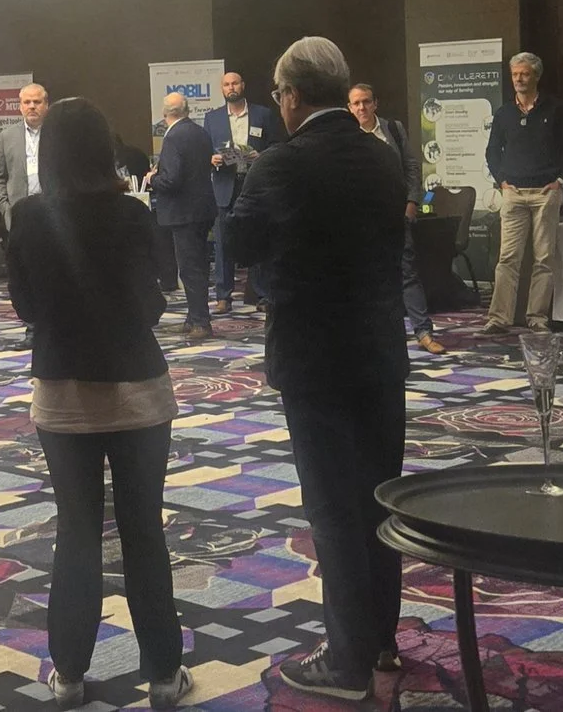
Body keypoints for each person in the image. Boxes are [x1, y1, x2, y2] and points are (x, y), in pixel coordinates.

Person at [226, 37, 408, 700]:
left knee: (332, 510)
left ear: (293, 96)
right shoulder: (384, 158)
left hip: (313, 357)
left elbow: (238, 242)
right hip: (382, 351)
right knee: (382, 501)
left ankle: (347, 660)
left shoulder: (281, 164)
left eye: (278, 96)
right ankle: (382, 641)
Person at [5, 96, 191, 711]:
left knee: (77, 533)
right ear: (105, 148)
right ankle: (164, 674)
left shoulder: (28, 218)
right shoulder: (133, 215)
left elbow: (25, 307)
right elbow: (156, 302)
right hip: (138, 392)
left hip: (62, 396)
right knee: (144, 532)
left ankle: (70, 674)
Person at [483, 52, 563, 331]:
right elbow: (492, 152)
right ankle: (498, 318)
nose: (519, 79)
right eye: (515, 75)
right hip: (512, 192)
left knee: (543, 259)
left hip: (545, 193)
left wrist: (560, 181)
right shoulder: (504, 113)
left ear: (536, 76)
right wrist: (501, 181)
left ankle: (537, 318)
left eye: (524, 74)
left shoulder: (555, 109)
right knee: (507, 258)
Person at [351, 84, 441, 353]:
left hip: (396, 214)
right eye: (355, 104)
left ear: (375, 103)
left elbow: (412, 166)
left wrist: (412, 201)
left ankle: (424, 332)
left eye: (366, 102)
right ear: (349, 107)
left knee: (408, 273)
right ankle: (369, 335)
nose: (361, 108)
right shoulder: (347, 136)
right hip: (361, 219)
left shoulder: (393, 130)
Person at [205, 72, 285, 314]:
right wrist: (212, 158)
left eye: (235, 83)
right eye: (227, 84)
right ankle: (223, 296)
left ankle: (262, 295)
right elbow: (205, 151)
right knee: (223, 243)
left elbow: (277, 146)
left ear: (243, 85)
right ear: (222, 89)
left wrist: (261, 156)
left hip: (255, 184)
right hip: (225, 185)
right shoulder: (212, 118)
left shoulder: (263, 114)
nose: (231, 87)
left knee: (258, 239)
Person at [149, 92, 216, 340]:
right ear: (187, 110)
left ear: (165, 113)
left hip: (182, 212)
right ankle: (194, 318)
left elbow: (172, 180)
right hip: (202, 209)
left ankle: (200, 321)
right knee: (198, 266)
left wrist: (153, 178)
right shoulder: (200, 133)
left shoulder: (173, 137)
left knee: (189, 269)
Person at [0, 83, 47, 349]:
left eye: (37, 102)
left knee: (54, 269)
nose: (32, 107)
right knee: (25, 274)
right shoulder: (7, 135)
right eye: (27, 102)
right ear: (20, 105)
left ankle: (56, 325)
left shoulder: (56, 134)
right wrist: (5, 208)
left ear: (46, 104)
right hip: (21, 214)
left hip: (53, 212)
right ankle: (32, 327)